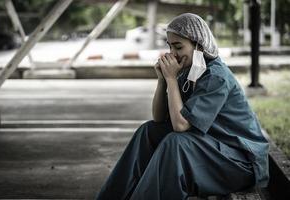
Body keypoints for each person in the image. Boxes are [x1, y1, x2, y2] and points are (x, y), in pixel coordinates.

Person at [95, 13, 269, 200]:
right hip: (213, 149)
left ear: (199, 46)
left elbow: (180, 126)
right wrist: (163, 81)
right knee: (148, 131)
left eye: (178, 46)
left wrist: (171, 79)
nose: (172, 53)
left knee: (176, 143)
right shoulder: (190, 71)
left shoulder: (216, 76)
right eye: (170, 46)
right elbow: (159, 118)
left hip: (240, 163)